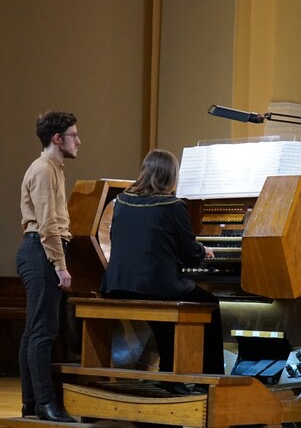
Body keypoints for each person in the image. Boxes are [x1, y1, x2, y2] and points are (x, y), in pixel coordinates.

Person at [100, 149, 225, 392]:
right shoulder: (172, 205)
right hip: (156, 285)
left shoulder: (123, 202)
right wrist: (202, 251)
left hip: (119, 285)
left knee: (162, 316)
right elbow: (188, 253)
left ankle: (169, 374)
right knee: (210, 305)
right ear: (170, 176)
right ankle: (209, 381)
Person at [16, 111, 81, 423]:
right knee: (43, 332)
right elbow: (47, 224)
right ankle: (45, 404)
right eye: (73, 135)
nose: (78, 141)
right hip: (40, 251)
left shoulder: (53, 168)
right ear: (58, 139)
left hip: (38, 250)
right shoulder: (44, 169)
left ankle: (32, 404)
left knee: (34, 332)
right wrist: (60, 264)